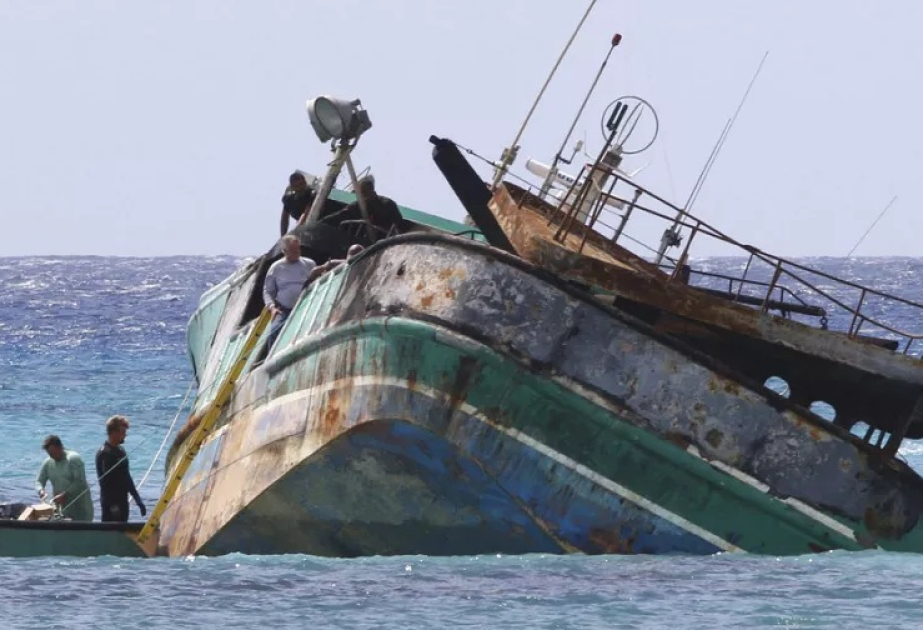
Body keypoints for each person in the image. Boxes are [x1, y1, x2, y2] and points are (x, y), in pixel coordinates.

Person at [263, 234, 317, 348]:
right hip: (285, 310)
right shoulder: (276, 267)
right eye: (293, 250)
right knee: (274, 332)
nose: (297, 252)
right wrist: (272, 308)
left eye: (298, 249)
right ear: (285, 251)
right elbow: (268, 291)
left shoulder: (309, 264)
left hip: (307, 306)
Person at [95, 415, 146, 522]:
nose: (125, 435)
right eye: (123, 432)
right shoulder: (104, 453)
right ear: (113, 433)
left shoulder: (121, 451)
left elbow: (126, 476)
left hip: (122, 500)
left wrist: (137, 499)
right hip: (111, 504)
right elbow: (105, 483)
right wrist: (113, 505)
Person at [34, 435, 94, 521]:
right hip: (63, 510)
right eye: (49, 454)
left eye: (53, 453)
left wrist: (65, 495)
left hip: (81, 509)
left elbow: (80, 482)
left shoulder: (73, 459)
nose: (52, 456)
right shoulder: (48, 462)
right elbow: (39, 481)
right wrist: (41, 491)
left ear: (60, 447)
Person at [279, 171, 316, 235]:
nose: (300, 187)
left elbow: (305, 214)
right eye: (296, 186)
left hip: (314, 222)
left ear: (305, 183)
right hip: (304, 226)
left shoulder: (311, 194)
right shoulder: (288, 199)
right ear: (292, 187)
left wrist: (297, 231)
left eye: (301, 184)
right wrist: (283, 237)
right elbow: (284, 219)